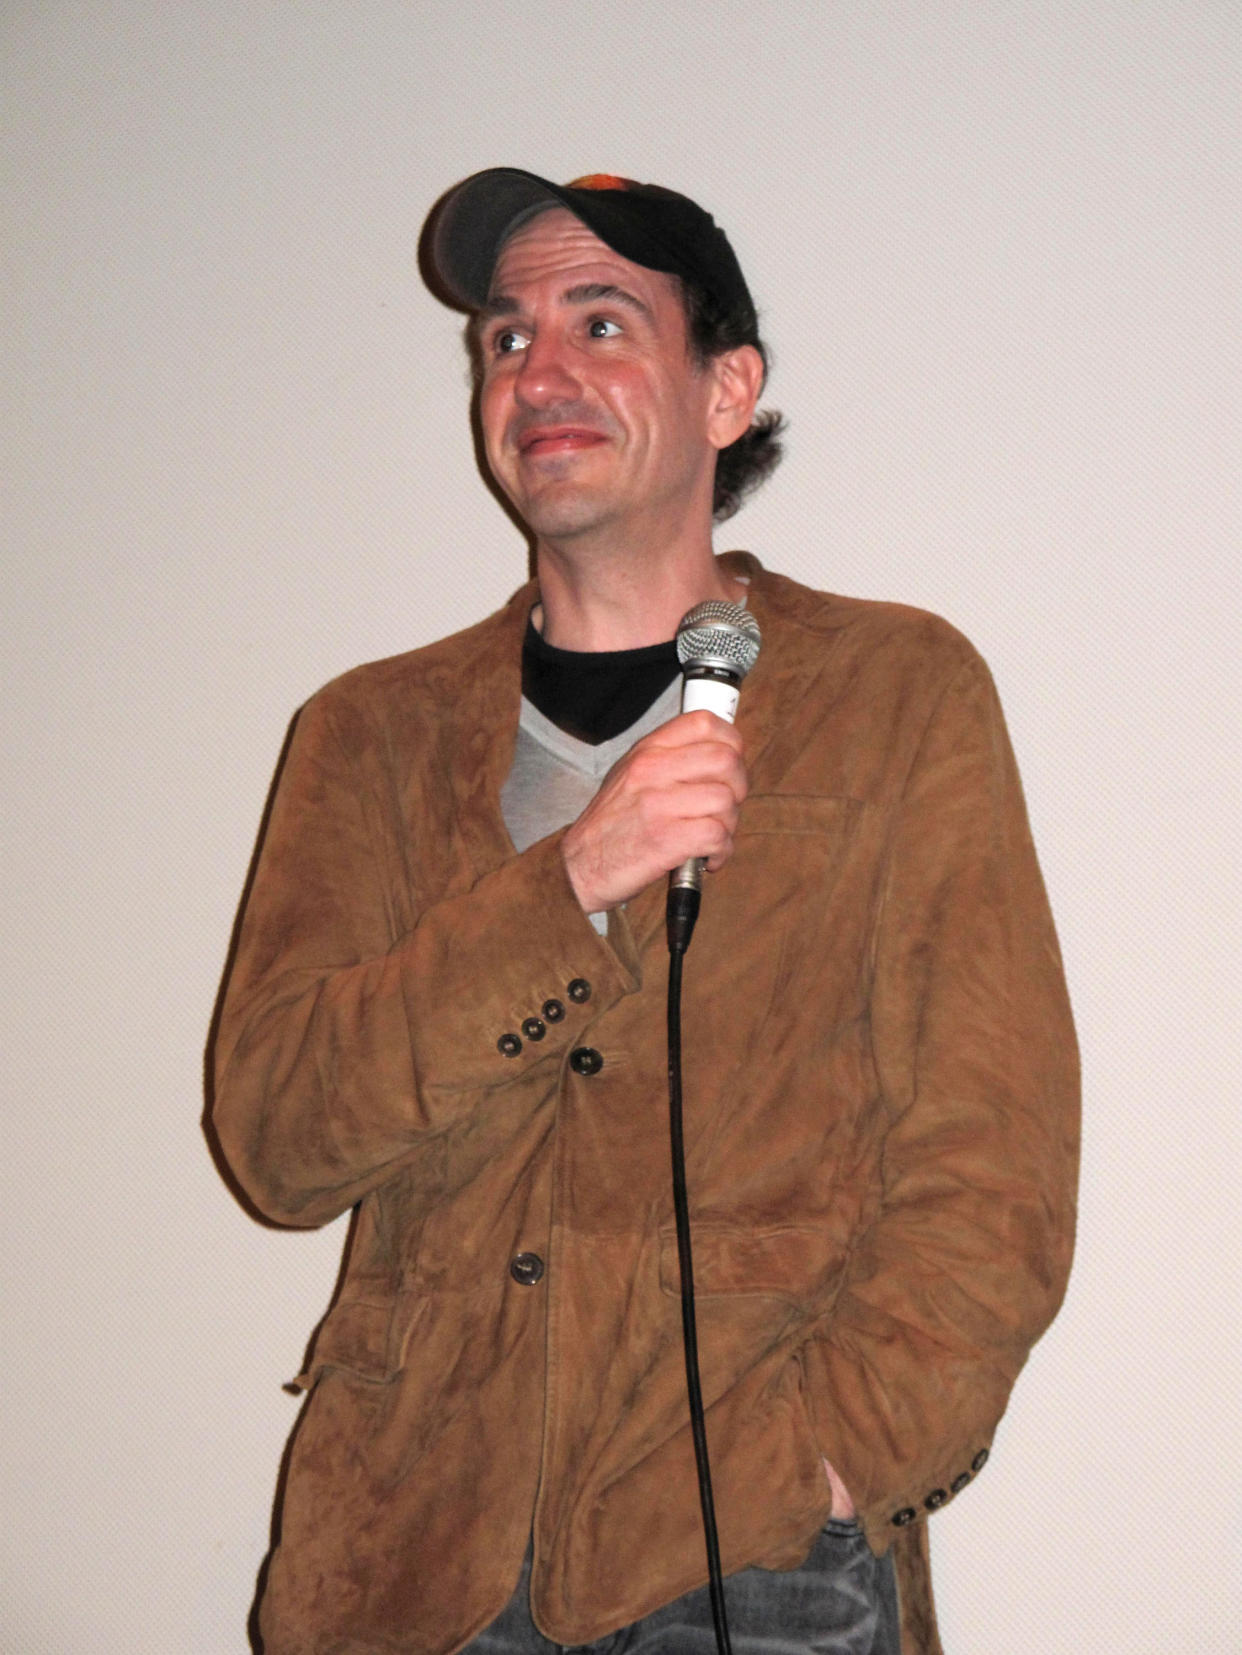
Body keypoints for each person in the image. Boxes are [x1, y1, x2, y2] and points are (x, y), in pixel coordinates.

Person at [211, 169, 1079, 1655]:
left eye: (601, 324)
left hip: (751, 1544)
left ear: (725, 389)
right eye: (504, 337)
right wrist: (566, 884)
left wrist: (826, 1463)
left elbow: (990, 1153)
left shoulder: (893, 692)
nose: (538, 371)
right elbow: (277, 1140)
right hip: (405, 1555)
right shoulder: (368, 731)